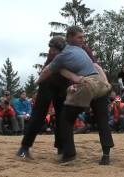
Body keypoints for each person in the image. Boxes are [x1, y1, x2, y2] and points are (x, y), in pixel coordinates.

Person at [17, 26, 113, 165]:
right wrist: (37, 85)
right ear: (69, 38)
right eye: (79, 37)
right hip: (49, 83)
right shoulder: (57, 52)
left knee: (63, 115)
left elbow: (94, 66)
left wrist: (104, 83)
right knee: (39, 113)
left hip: (66, 85)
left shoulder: (82, 49)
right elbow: (48, 71)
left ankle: (63, 149)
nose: (82, 40)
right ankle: (25, 148)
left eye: (83, 37)